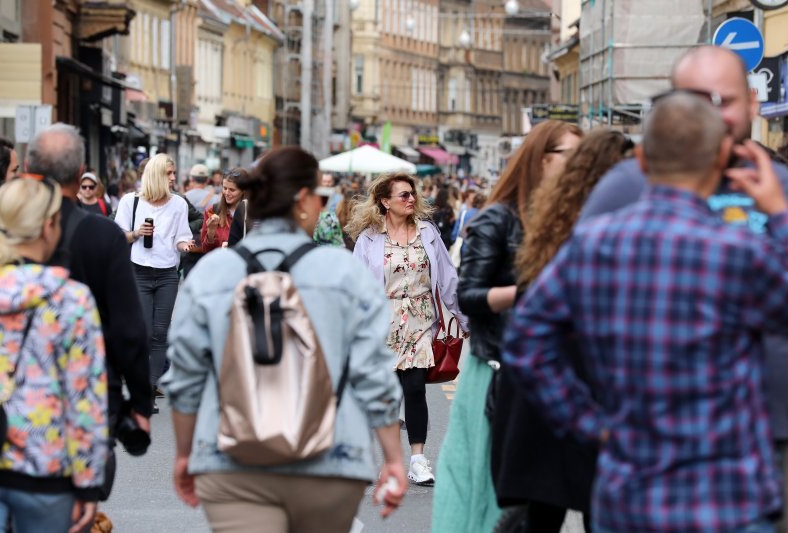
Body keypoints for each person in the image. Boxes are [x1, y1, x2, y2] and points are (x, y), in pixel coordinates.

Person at [505, 92, 788, 532]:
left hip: (629, 490)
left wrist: (588, 422)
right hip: (726, 495)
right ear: (720, 158)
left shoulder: (594, 245)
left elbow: (525, 341)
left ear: (640, 160)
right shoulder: (738, 251)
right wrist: (779, 215)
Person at [580, 45, 788, 532]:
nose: (711, 113)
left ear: (754, 105)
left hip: (771, 433)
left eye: (725, 100)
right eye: (697, 98)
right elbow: (562, 307)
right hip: (650, 441)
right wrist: (593, 417)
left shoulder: (780, 184)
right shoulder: (626, 185)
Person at [163, 146, 407, 532]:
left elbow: (186, 376)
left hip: (230, 461)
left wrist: (184, 453)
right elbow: (372, 373)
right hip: (330, 460)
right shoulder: (343, 273)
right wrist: (394, 459)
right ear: (305, 201)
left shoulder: (213, 273)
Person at [431, 120, 581, 532]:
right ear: (544, 159)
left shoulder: (572, 220)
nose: (580, 166)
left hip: (558, 374)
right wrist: (527, 292)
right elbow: (470, 296)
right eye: (573, 155)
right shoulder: (498, 218)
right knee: (489, 492)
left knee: (546, 498)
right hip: (500, 370)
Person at [493, 129, 632, 533]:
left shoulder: (554, 216)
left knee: (544, 513)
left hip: (546, 392)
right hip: (584, 382)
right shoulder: (608, 223)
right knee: (597, 510)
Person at [27, 123, 151, 499]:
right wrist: (140, 403)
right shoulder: (101, 235)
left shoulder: (6, 229)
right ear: (81, 172)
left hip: (13, 396)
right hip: (89, 394)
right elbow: (128, 329)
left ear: (30, 170)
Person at [0, 176, 108, 533]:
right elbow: (85, 398)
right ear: (47, 227)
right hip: (46, 468)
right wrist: (89, 482)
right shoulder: (71, 300)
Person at [347, 173, 469, 487]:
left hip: (419, 321)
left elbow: (448, 278)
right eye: (403, 195)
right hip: (381, 322)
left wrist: (464, 318)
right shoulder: (369, 238)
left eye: (412, 194)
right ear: (385, 202)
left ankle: (417, 459)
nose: (411, 199)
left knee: (414, 389)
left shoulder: (428, 232)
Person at [114, 154, 193, 409]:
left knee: (160, 334)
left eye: (173, 173)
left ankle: (148, 389)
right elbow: (119, 237)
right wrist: (137, 233)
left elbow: (180, 237)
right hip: (139, 271)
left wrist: (187, 245)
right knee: (144, 332)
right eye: (169, 173)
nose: (173, 178)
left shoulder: (179, 204)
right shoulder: (131, 202)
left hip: (168, 274)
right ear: (157, 175)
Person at [201, 168, 246, 251]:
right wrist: (211, 232)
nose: (227, 193)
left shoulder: (253, 212)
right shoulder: (212, 210)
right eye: (225, 188)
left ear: (243, 190)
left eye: (232, 190)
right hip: (220, 262)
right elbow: (205, 250)